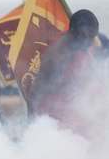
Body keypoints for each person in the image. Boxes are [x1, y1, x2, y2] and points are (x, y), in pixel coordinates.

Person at [27, 9, 102, 137]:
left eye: (93, 36)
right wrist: (34, 128)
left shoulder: (82, 47)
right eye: (86, 36)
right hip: (52, 113)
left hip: (71, 109)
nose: (90, 41)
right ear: (72, 32)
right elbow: (35, 94)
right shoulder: (57, 53)